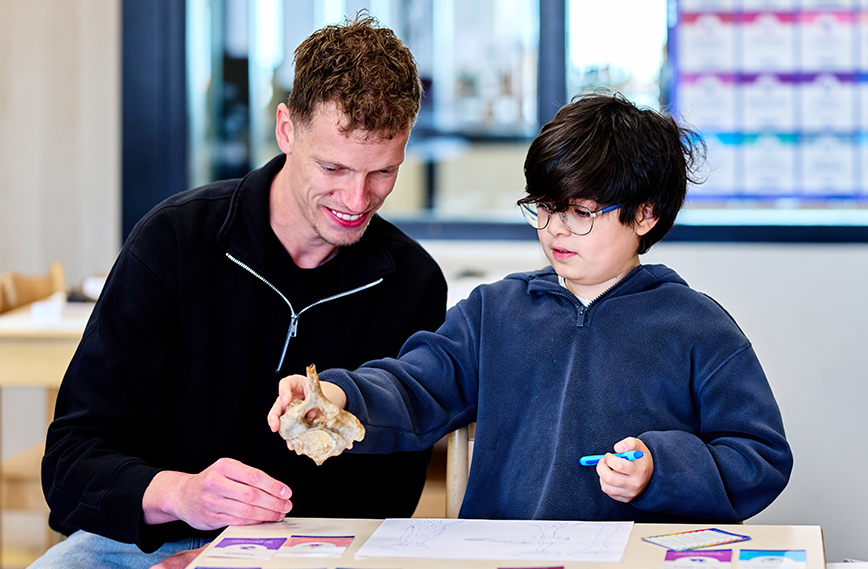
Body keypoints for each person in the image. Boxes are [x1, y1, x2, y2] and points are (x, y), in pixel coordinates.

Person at [4, 14, 446, 569]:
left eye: (383, 172)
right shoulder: (174, 242)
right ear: (287, 129)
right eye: (333, 168)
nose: (355, 200)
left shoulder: (411, 281)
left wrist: (229, 561)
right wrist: (183, 496)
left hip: (317, 551)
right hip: (147, 538)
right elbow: (70, 464)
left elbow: (387, 493)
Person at [271, 92, 793, 523]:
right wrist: (339, 394)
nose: (555, 228)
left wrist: (662, 468)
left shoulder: (697, 327)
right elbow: (414, 386)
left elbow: (759, 457)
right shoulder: (493, 312)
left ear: (644, 215)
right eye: (543, 207)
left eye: (581, 212)